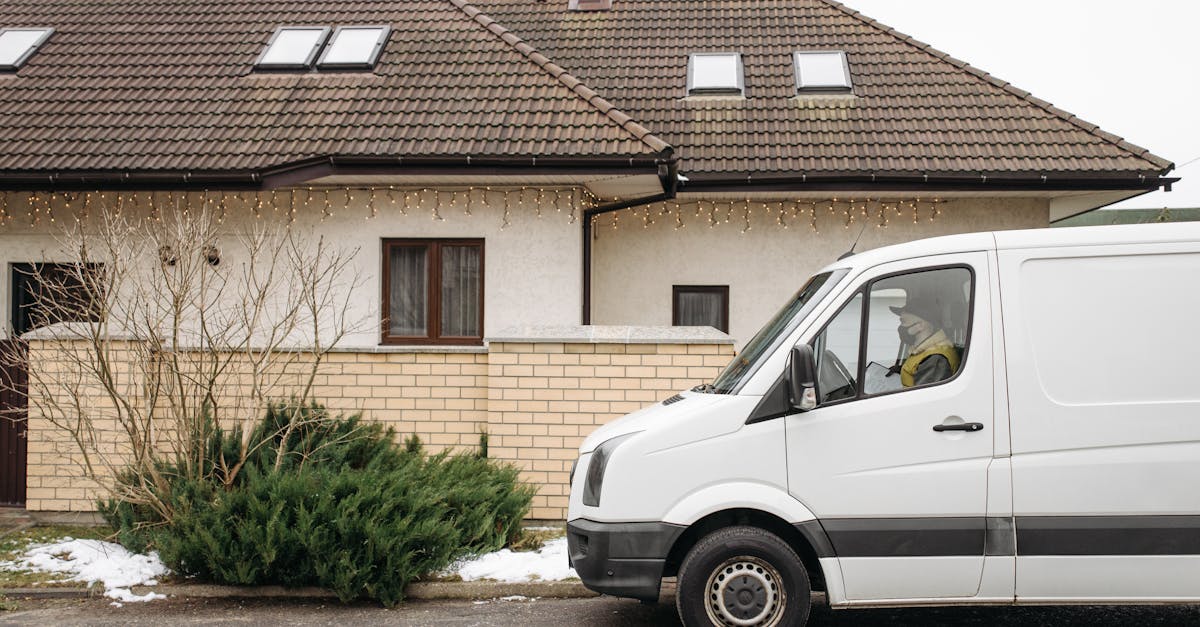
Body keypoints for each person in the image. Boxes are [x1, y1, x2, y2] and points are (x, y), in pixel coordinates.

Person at [890, 297, 960, 387]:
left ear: (920, 326)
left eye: (904, 322)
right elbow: (918, 370)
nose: (901, 327)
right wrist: (900, 370)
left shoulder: (935, 359)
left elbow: (924, 398)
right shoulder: (925, 350)